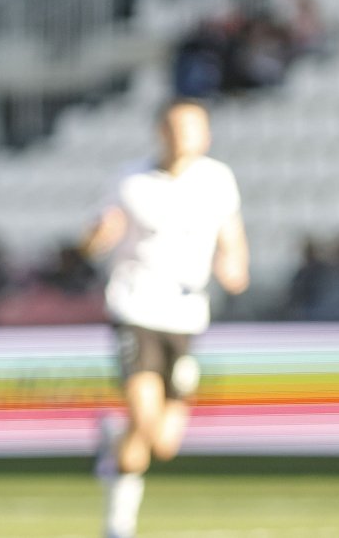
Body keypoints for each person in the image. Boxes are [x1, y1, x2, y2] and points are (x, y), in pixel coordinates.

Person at [80, 97, 249, 538]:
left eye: (193, 128)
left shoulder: (217, 180)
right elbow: (94, 238)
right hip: (135, 309)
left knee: (163, 443)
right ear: (161, 132)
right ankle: (118, 522)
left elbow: (231, 236)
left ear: (206, 134)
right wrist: (99, 236)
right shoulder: (131, 180)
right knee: (144, 415)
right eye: (176, 127)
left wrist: (234, 267)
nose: (184, 137)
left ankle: (113, 441)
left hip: (188, 316)